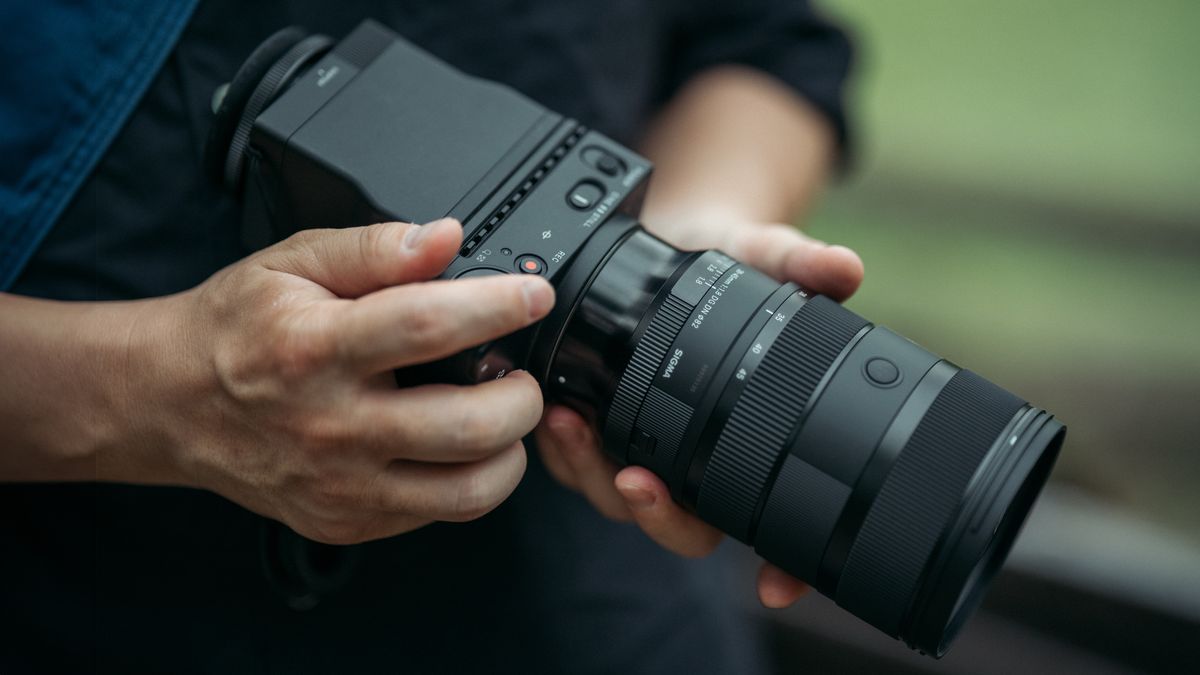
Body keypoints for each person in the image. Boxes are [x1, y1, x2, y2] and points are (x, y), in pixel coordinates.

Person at [0, 1, 862, 672]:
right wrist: (159, 391)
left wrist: (687, 242)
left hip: (603, 608)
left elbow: (763, 39)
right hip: (102, 614)